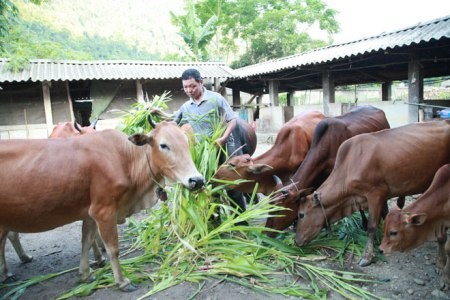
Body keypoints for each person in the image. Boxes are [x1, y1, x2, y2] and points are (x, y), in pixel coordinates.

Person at [173, 68, 239, 156]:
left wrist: (224, 138)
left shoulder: (216, 98)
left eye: (193, 86)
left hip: (222, 145)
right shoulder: (186, 106)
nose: (189, 90)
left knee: (232, 166)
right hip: (202, 150)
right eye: (185, 87)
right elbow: (173, 122)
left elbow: (232, 119)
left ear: (201, 82)